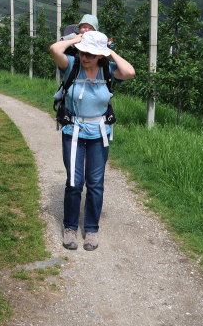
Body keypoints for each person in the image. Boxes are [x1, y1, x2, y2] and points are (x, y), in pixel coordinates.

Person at [49, 30, 135, 251]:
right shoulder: (71, 65)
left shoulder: (108, 69)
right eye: (82, 52)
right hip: (73, 130)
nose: (84, 56)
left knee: (95, 184)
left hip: (99, 133)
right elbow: (54, 49)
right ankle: (70, 227)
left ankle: (91, 230)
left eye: (90, 53)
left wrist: (109, 51)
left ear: (100, 56)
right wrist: (77, 40)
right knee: (74, 182)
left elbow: (130, 72)